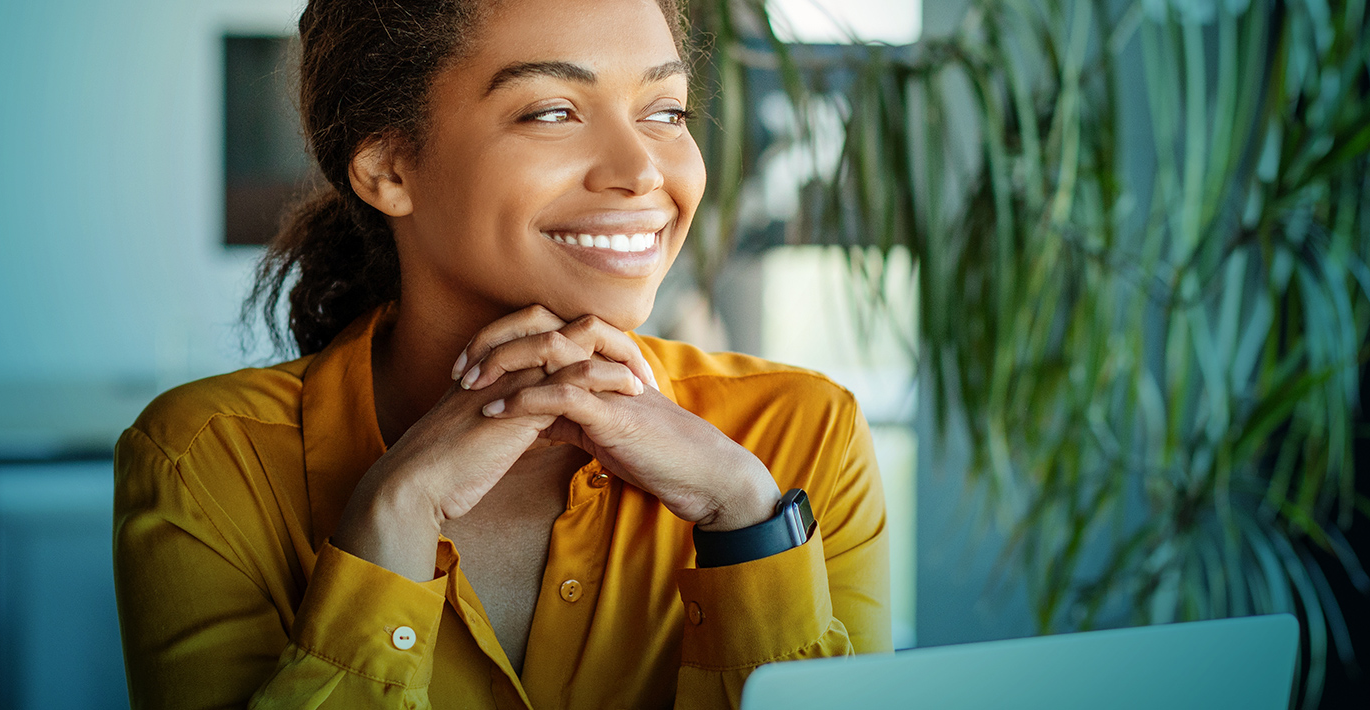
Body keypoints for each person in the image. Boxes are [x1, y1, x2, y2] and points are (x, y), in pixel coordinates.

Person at [112, 0, 890, 706]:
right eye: (552, 111)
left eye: (665, 110)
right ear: (388, 168)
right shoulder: (206, 459)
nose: (641, 171)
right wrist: (393, 517)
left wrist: (747, 523)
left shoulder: (800, 438)